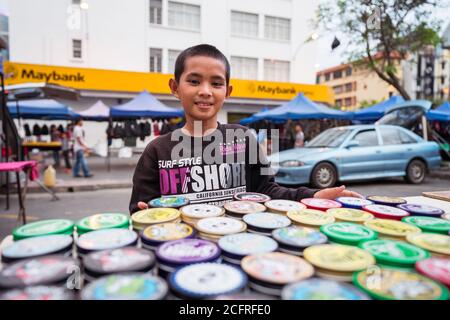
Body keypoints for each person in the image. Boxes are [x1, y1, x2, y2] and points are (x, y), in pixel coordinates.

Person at [129, 44, 362, 214]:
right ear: (175, 87)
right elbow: (141, 209)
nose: (206, 91)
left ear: (227, 92)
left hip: (240, 250)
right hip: (181, 255)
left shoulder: (242, 139)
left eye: (216, 83)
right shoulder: (157, 151)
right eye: (194, 81)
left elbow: (267, 190)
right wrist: (146, 214)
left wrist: (312, 195)